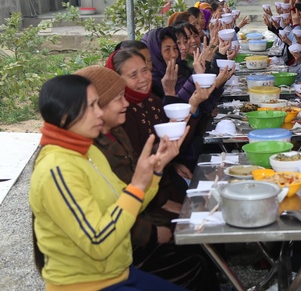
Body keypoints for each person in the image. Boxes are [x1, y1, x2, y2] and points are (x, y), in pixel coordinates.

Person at [30, 74, 188, 291]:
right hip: (86, 285)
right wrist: (137, 186)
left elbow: (128, 204)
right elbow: (98, 241)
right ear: (65, 115)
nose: (99, 113)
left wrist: (155, 170)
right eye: (92, 106)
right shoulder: (56, 169)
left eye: (99, 104)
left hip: (118, 273)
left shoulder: (90, 152)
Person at [75, 66, 219, 291]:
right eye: (118, 98)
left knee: (198, 242)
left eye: (147, 68)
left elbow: (136, 187)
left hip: (136, 220)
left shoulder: (116, 132)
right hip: (112, 258)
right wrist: (152, 233)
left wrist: (159, 164)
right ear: (96, 106)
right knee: (193, 260)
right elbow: (114, 208)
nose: (126, 103)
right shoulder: (83, 154)